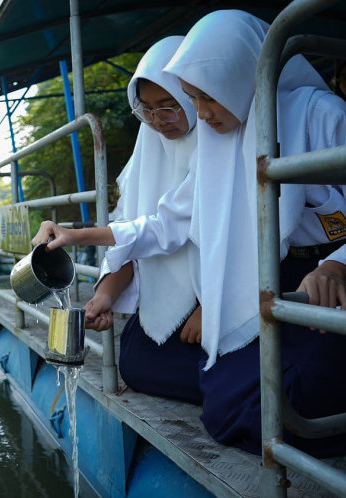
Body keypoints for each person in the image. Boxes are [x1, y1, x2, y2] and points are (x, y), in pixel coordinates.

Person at [162, 9, 346, 457]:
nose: (201, 114)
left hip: (331, 279)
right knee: (225, 406)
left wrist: (337, 265)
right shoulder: (224, 136)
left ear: (240, 71)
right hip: (285, 277)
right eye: (192, 98)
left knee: (296, 402)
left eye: (207, 96)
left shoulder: (319, 114)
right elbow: (179, 216)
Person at [85, 36, 204, 404]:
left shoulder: (220, 144)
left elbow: (243, 238)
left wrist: (214, 305)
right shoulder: (147, 151)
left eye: (169, 106)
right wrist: (104, 295)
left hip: (220, 298)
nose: (158, 121)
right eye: (147, 109)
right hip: (167, 303)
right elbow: (133, 232)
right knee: (135, 362)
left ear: (192, 94)